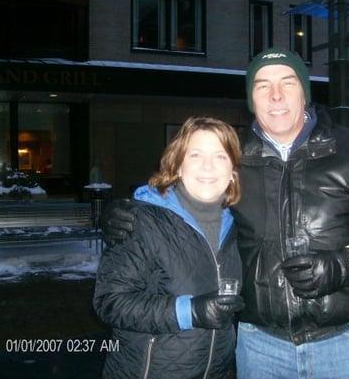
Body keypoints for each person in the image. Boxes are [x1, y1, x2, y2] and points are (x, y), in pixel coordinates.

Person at [104, 48, 349, 379]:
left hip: (344, 344)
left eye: (288, 83)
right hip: (259, 348)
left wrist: (343, 266)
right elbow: (187, 196)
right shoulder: (234, 157)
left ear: (305, 93)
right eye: (262, 85)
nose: (275, 96)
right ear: (251, 99)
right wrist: (130, 212)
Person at [94, 116, 245, 379]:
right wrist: (191, 312)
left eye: (220, 156)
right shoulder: (140, 220)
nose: (208, 166)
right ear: (177, 165)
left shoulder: (238, 227)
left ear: (232, 170)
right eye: (195, 155)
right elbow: (110, 301)